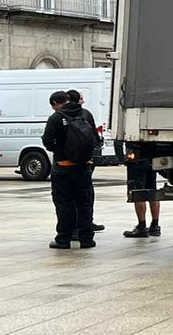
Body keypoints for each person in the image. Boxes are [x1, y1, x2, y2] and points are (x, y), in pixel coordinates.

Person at [41, 90, 98, 249]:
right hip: (84, 167)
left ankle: (63, 239)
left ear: (55, 104)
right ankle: (87, 239)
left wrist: (59, 150)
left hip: (63, 167)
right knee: (84, 203)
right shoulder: (85, 114)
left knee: (64, 204)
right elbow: (94, 138)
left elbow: (47, 141)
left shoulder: (56, 117)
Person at [67, 90, 105, 236]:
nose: (83, 101)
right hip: (86, 161)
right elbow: (94, 137)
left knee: (74, 195)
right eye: (81, 99)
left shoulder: (60, 116)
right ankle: (85, 224)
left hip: (68, 161)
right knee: (85, 194)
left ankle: (79, 225)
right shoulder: (85, 114)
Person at [123, 146, 161, 238]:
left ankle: (142, 226)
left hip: (136, 159)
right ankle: (155, 225)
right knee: (152, 191)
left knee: (138, 193)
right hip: (151, 159)